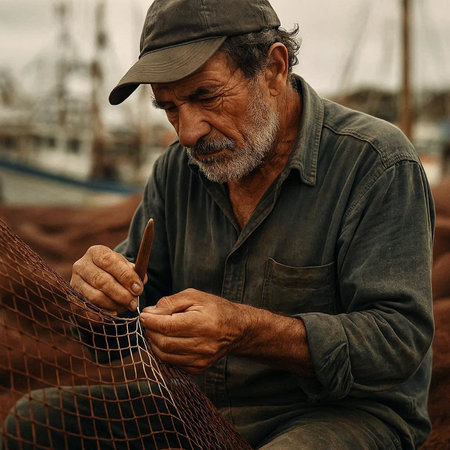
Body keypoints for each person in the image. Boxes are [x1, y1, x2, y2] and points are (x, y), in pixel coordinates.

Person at [7, 0, 435, 448]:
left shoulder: (377, 162)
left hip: (340, 412)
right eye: (169, 108)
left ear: (273, 68)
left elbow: (398, 340)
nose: (187, 131)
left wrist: (248, 329)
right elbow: (123, 328)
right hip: (202, 407)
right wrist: (96, 304)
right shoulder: (176, 170)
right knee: (32, 421)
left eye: (205, 96)